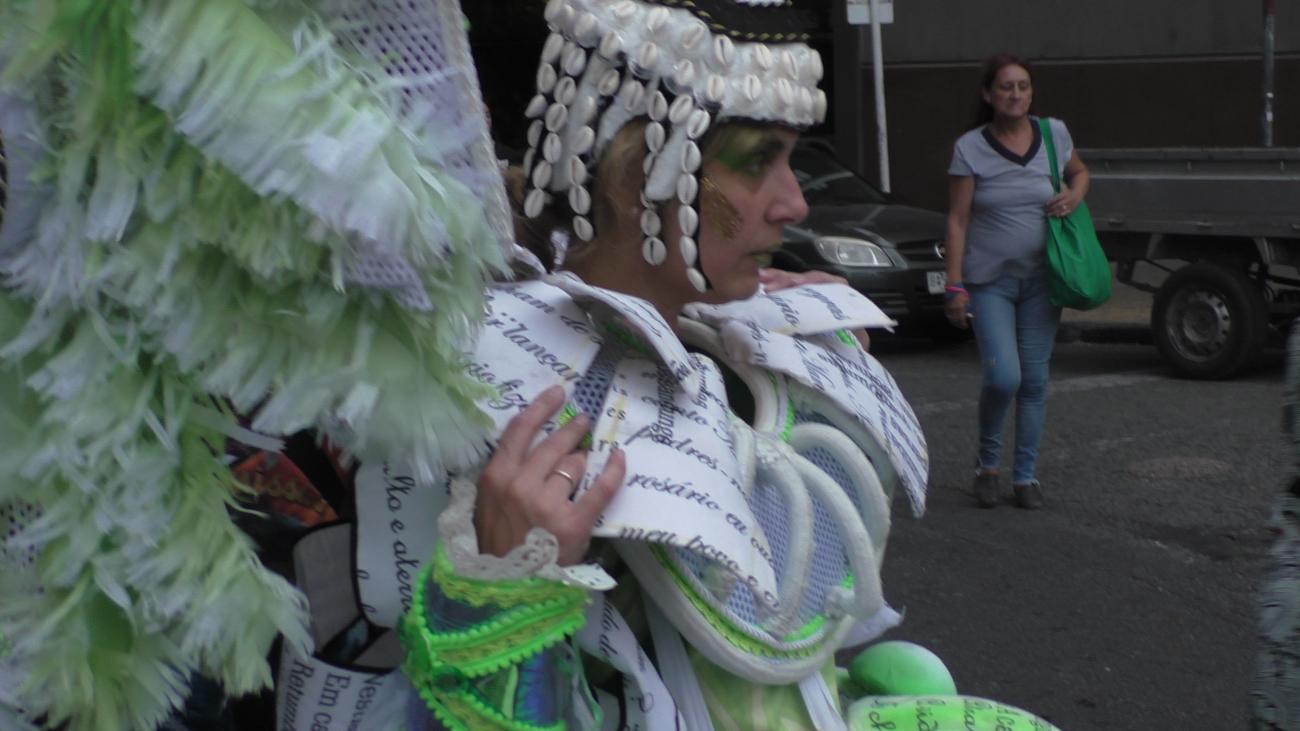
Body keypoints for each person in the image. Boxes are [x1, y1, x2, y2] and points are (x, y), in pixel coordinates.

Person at [396, 5, 1060, 729]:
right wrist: (498, 583)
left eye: (792, 161)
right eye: (756, 161)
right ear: (636, 177)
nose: (795, 203)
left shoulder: (750, 335)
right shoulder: (489, 375)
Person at [943, 53, 1091, 510]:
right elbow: (958, 220)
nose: (1016, 94)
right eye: (1006, 87)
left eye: (1023, 86)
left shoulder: (1053, 134)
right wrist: (954, 286)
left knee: (1034, 381)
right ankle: (987, 465)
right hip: (990, 283)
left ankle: (1024, 477)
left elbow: (1080, 173)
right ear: (988, 95)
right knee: (1004, 376)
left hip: (1043, 281)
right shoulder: (970, 147)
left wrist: (1073, 194)